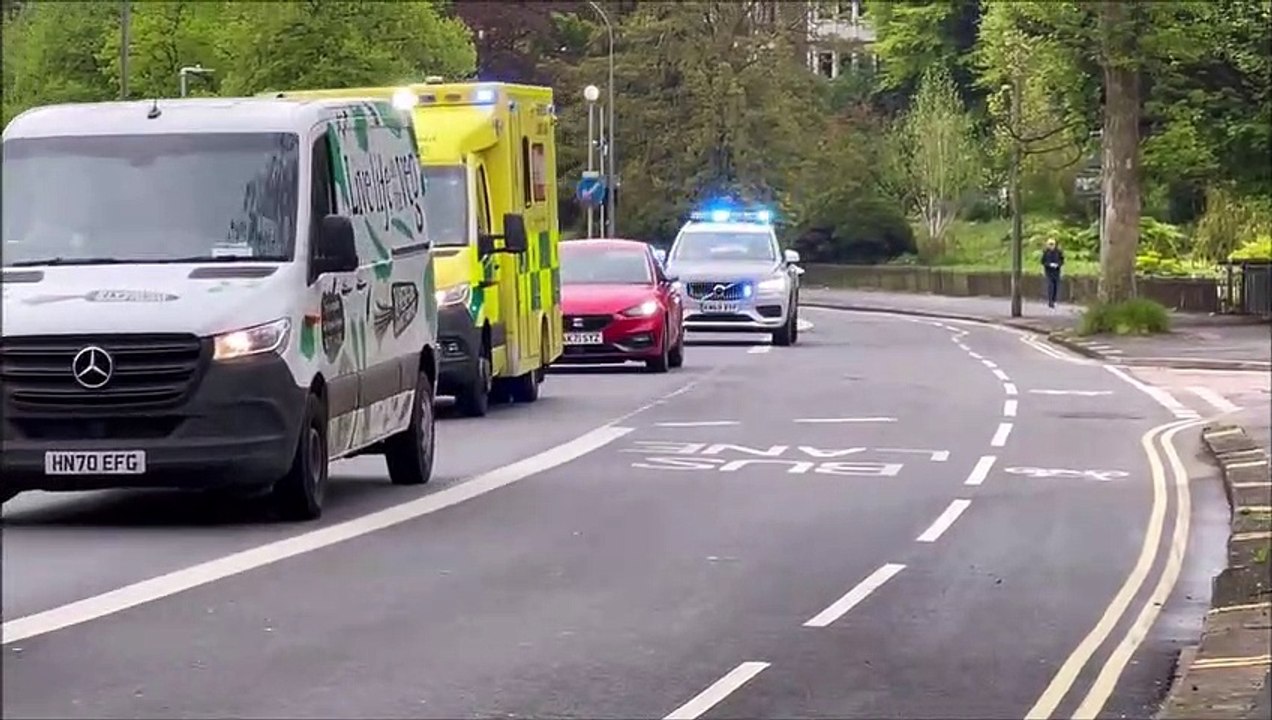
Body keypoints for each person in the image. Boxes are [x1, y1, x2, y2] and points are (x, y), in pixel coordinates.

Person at [1041, 238, 1065, 308]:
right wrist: (1049, 265)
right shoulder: (1045, 252)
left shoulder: (1059, 252)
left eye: (1052, 244)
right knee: (1050, 286)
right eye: (1050, 244)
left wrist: (1058, 265)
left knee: (1056, 286)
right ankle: (1050, 301)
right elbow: (1043, 261)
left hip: (1056, 271)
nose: (1051, 246)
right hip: (1049, 271)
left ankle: (1054, 299)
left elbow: (1062, 260)